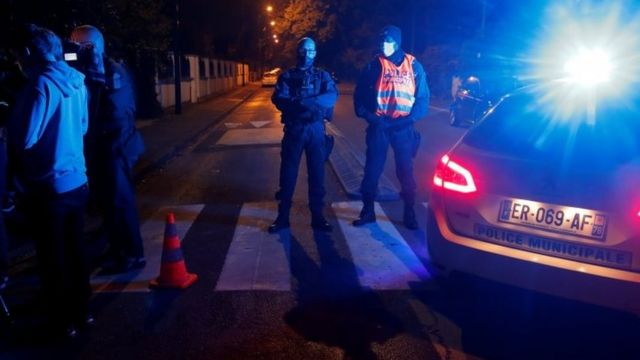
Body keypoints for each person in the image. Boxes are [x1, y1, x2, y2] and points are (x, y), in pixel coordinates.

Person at [8, 24, 91, 337]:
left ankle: (62, 321)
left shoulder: (40, 84)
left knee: (52, 257)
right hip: (77, 181)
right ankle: (83, 313)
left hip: (48, 186)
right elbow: (82, 127)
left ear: (29, 53)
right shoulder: (78, 81)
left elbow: (24, 138)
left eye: (18, 53)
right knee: (76, 250)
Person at [69, 25, 146, 273]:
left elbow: (114, 114)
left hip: (116, 147)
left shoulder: (111, 72)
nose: (74, 51)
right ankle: (118, 250)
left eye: (80, 46)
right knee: (108, 203)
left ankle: (132, 254)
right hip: (105, 148)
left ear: (93, 47)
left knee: (120, 202)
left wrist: (92, 76)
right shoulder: (93, 71)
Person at [352, 25, 429, 229]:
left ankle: (409, 212)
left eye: (387, 41)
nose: (383, 45)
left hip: (403, 127)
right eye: (381, 41)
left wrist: (409, 120)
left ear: (396, 42)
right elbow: (359, 98)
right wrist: (371, 118)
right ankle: (367, 211)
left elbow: (422, 100)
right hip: (380, 126)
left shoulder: (414, 66)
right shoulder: (373, 66)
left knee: (405, 171)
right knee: (372, 171)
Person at [269, 37, 338, 233]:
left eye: (312, 50)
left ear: (315, 53)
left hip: (316, 129)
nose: (308, 54)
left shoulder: (322, 76)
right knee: (288, 175)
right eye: (304, 50)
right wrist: (298, 102)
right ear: (298, 51)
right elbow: (278, 98)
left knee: (317, 174)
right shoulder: (287, 76)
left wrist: (310, 102)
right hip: (295, 129)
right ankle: (282, 217)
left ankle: (318, 217)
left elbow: (332, 96)